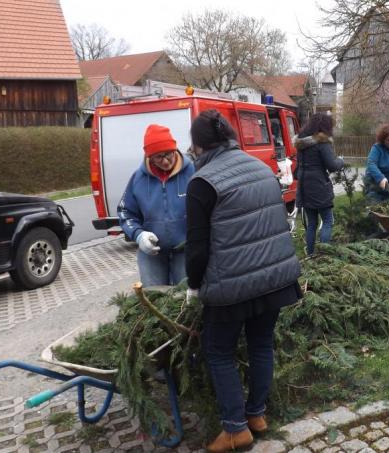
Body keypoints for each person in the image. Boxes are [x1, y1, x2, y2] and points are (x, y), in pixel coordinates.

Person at [184, 110, 302, 453]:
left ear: (198, 146)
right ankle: (256, 415)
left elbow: (197, 246)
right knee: (261, 343)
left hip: (232, 286)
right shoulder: (259, 167)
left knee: (218, 351)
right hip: (275, 278)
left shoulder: (202, 182)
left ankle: (235, 429)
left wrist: (194, 285)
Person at [118, 124, 194, 286]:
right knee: (154, 297)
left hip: (186, 251)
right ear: (149, 157)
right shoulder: (138, 179)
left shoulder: (192, 173)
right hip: (152, 254)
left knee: (185, 300)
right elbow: (125, 212)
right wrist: (138, 235)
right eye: (158, 157)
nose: (165, 161)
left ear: (175, 150)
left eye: (168, 154)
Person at [294, 113, 344, 255]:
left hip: (304, 186)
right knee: (328, 220)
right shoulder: (322, 142)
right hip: (319, 186)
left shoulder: (301, 143)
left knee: (312, 224)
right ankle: (323, 256)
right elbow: (332, 166)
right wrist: (341, 160)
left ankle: (310, 255)